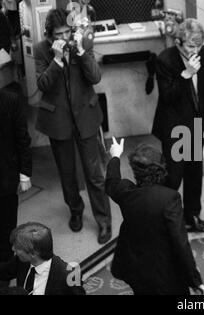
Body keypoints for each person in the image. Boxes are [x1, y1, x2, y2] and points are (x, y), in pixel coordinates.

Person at [34, 9, 111, 244]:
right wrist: (57, 60)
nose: (65, 37)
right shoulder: (40, 50)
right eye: (60, 33)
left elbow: (95, 77)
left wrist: (80, 52)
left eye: (68, 31)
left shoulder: (81, 44)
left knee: (94, 174)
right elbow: (43, 85)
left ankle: (104, 220)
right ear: (50, 36)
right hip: (58, 121)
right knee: (67, 174)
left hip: (85, 117)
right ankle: (75, 211)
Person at [105, 137, 204, 295]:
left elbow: (111, 182)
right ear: (160, 168)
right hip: (164, 273)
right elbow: (180, 242)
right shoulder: (169, 198)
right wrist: (195, 280)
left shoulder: (126, 192)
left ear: (135, 170)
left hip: (134, 267)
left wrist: (115, 156)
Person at [153, 19, 204, 232]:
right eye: (190, 46)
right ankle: (166, 218)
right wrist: (186, 75)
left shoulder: (203, 53)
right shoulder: (165, 60)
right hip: (174, 126)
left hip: (197, 123)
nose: (195, 51)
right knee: (173, 176)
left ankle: (193, 214)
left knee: (195, 174)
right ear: (178, 42)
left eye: (198, 46)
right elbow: (167, 97)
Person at [0, 90, 32, 287]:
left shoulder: (10, 100)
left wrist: (25, 173)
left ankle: (3, 277)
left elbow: (22, 138)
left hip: (5, 180)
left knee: (6, 230)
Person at [0, 222, 86, 295]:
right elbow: (3, 271)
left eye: (18, 248)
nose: (13, 249)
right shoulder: (20, 260)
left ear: (33, 253)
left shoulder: (69, 275)